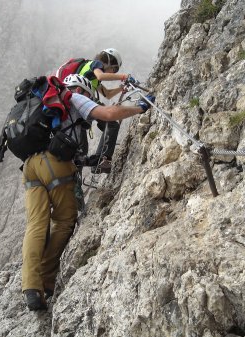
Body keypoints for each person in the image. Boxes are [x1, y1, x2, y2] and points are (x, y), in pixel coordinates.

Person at [21, 74, 155, 311]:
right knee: (64, 221)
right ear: (82, 91)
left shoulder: (45, 105)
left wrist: (85, 159)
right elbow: (109, 114)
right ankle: (47, 280)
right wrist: (141, 107)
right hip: (53, 166)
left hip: (30, 167)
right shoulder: (73, 98)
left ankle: (31, 287)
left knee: (36, 225)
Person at [75, 48, 137, 173]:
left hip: (79, 105)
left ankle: (99, 162)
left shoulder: (92, 78)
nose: (113, 72)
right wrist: (124, 76)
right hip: (82, 103)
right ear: (108, 61)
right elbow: (101, 75)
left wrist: (121, 88)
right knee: (112, 122)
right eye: (114, 69)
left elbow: (107, 94)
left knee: (82, 148)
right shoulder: (95, 64)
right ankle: (103, 160)